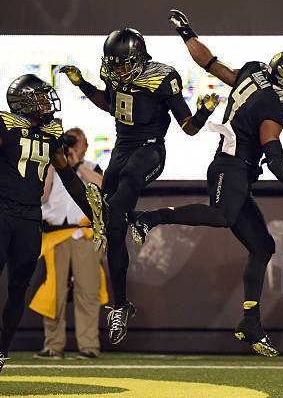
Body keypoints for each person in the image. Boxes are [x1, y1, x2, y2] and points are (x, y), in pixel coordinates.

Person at [129, 10, 283, 357]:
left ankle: (250, 323)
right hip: (230, 168)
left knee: (263, 246)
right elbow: (276, 158)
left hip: (234, 171)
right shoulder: (276, 105)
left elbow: (210, 63)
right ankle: (150, 218)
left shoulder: (253, 73)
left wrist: (187, 32)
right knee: (222, 215)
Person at [59, 27, 220, 345]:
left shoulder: (163, 78)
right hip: (122, 147)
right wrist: (84, 85)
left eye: (122, 63)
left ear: (139, 59)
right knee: (115, 230)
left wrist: (202, 112)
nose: (116, 69)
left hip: (150, 150)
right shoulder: (114, 74)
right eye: (113, 63)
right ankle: (120, 305)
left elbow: (187, 128)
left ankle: (120, 217)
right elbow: (110, 103)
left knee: (128, 183)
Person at [0, 74, 96, 385]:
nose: (48, 102)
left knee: (19, 286)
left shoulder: (51, 133)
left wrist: (93, 214)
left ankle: (1, 353)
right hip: (0, 209)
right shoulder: (1, 126)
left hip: (30, 216)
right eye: (42, 97)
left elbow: (70, 179)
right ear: (25, 101)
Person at [31, 127, 106, 360]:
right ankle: (53, 346)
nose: (74, 146)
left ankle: (89, 347)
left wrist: (77, 165)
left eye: (78, 142)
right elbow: (41, 196)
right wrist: (55, 162)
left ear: (86, 146)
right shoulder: (50, 167)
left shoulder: (91, 168)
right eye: (69, 143)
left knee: (88, 292)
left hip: (85, 236)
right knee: (54, 293)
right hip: (55, 236)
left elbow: (103, 187)